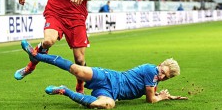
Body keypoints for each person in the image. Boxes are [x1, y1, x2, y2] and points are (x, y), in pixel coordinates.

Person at [15, 0, 98, 94]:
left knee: (79, 60)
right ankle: (30, 66)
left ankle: (80, 86)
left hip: (76, 17)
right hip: (55, 12)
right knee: (48, 40)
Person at [20, 39, 188, 109]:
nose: (163, 76)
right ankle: (36, 55)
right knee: (76, 69)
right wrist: (162, 98)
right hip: (109, 77)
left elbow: (150, 92)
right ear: (160, 65)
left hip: (111, 93)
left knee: (106, 105)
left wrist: (166, 95)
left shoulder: (154, 81)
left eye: (166, 77)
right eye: (164, 72)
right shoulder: (151, 70)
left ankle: (64, 90)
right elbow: (151, 99)